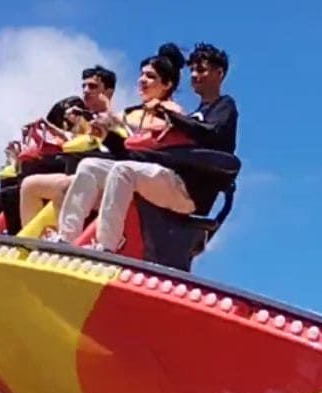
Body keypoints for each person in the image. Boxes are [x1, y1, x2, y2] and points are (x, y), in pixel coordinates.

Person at [54, 44, 191, 249]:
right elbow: (115, 128)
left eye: (151, 77)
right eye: (142, 75)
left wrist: (120, 121)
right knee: (89, 166)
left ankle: (107, 244)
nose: (143, 80)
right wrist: (94, 123)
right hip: (138, 170)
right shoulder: (137, 111)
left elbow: (158, 128)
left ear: (167, 85)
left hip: (165, 176)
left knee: (121, 170)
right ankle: (66, 236)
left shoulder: (171, 109)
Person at [17, 65, 119, 228]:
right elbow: (73, 140)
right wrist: (49, 127)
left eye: (92, 86)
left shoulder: (113, 118)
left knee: (39, 185)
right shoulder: (85, 119)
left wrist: (104, 111)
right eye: (84, 86)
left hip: (100, 178)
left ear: (108, 92)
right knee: (28, 181)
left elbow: (110, 139)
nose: (86, 91)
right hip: (76, 174)